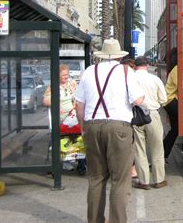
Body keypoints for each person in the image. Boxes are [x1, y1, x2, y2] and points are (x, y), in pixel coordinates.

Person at [74, 39, 144, 223]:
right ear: (119, 55)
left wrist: (83, 128)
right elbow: (137, 100)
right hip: (119, 127)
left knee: (96, 179)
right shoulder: (125, 71)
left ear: (102, 56)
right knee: (120, 180)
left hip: (92, 126)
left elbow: (79, 105)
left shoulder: (89, 71)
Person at [132, 56, 168, 190]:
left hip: (135, 115)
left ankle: (143, 181)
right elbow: (164, 99)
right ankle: (159, 180)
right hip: (152, 114)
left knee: (139, 149)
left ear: (135, 66)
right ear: (147, 65)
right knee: (157, 148)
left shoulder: (130, 79)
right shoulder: (155, 79)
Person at [43, 63, 79, 132]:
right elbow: (45, 101)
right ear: (58, 76)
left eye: (67, 75)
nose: (66, 77)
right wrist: (56, 104)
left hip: (74, 113)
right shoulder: (53, 86)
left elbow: (79, 96)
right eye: (63, 75)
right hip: (62, 116)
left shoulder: (72, 83)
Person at [163, 48, 179, 158]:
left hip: (171, 102)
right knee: (176, 129)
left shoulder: (175, 69)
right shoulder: (177, 69)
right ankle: (163, 153)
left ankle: (163, 154)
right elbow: (182, 85)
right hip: (171, 101)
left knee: (175, 129)